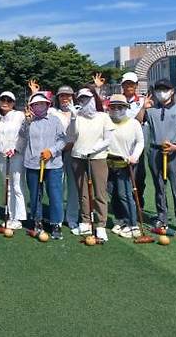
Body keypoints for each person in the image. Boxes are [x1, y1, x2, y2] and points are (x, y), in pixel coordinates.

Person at [144, 79, 176, 237]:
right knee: (159, 188)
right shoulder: (150, 111)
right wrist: (143, 107)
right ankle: (162, 218)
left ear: (172, 91)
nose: (161, 92)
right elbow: (138, 121)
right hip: (156, 151)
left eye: (165, 89)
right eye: (158, 89)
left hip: (174, 152)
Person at [68, 86, 115, 241]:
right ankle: (86, 221)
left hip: (98, 157)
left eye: (87, 98)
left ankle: (101, 224)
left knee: (100, 192)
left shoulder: (103, 117)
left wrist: (94, 148)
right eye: (81, 99)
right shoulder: (77, 116)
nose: (84, 101)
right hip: (78, 156)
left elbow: (108, 139)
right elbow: (72, 135)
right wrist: (73, 118)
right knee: (83, 191)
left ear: (93, 99)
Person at [19, 92, 67, 240]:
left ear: (47, 105)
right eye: (35, 104)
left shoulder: (55, 120)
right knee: (35, 195)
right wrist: (26, 122)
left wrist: (51, 151)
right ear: (32, 107)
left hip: (53, 164)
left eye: (41, 104)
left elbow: (63, 140)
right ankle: (37, 221)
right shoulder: (28, 121)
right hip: (33, 164)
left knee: (55, 195)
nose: (38, 106)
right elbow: (22, 136)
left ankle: (56, 224)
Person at [106, 94, 145, 238]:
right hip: (109, 162)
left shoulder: (133, 123)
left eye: (120, 107)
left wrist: (135, 155)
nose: (116, 109)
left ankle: (132, 224)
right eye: (113, 107)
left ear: (125, 108)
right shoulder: (106, 122)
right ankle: (120, 220)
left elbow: (140, 142)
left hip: (126, 164)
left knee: (125, 194)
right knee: (113, 193)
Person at [49, 85, 80, 233]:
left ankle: (72, 218)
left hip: (74, 153)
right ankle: (58, 218)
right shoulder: (53, 112)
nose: (65, 98)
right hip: (57, 153)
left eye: (68, 95)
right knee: (57, 187)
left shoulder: (78, 112)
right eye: (62, 96)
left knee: (73, 187)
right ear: (58, 98)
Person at [0, 91, 26, 230]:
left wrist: (16, 149)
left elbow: (24, 135)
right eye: (3, 100)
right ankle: (9, 215)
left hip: (16, 155)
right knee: (7, 186)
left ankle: (18, 218)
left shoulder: (19, 115)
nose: (5, 102)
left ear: (13, 103)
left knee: (17, 186)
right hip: (2, 156)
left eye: (9, 100)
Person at [119, 71, 149, 209]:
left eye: (131, 84)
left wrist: (143, 108)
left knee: (139, 177)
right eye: (126, 84)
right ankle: (122, 204)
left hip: (137, 144)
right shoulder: (117, 99)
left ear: (136, 85)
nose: (129, 86)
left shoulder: (143, 100)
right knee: (118, 177)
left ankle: (138, 204)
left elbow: (141, 120)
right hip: (119, 143)